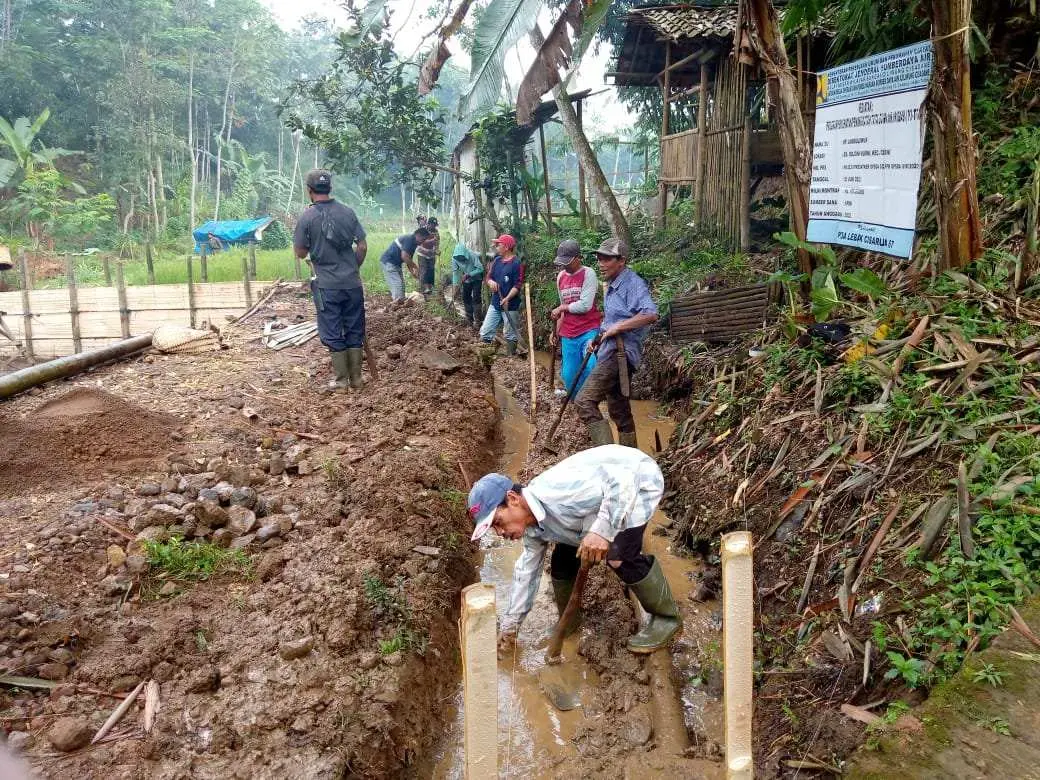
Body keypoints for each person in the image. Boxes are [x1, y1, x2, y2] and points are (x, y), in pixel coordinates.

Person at [467, 445, 681, 654]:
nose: (499, 532)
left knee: (618, 555)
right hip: (595, 506)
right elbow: (527, 573)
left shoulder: (560, 493)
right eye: (493, 528)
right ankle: (569, 621)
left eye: (497, 521)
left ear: (512, 500)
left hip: (639, 482)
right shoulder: (532, 528)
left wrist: (602, 531)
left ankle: (667, 618)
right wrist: (511, 625)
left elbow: (624, 479)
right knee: (561, 560)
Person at [574, 238, 658, 449]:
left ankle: (609, 456)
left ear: (621, 260)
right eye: (599, 258)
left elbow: (650, 314)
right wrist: (598, 339)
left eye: (606, 258)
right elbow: (610, 321)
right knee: (619, 410)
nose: (601, 263)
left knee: (584, 401)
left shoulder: (632, 283)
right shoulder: (613, 284)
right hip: (609, 350)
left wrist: (618, 328)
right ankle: (631, 457)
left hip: (619, 354)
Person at [293, 168, 369, 391]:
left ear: (309, 191)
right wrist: (353, 267)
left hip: (327, 285)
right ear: (330, 189)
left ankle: (341, 381)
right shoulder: (348, 212)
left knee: (332, 331)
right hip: (352, 284)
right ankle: (357, 379)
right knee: (355, 328)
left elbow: (300, 252)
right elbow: (362, 246)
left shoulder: (307, 217)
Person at [550, 239, 601, 396]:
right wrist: (555, 332)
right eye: (563, 263)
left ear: (578, 258)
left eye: (569, 262)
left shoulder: (589, 274)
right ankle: (576, 403)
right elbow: (562, 308)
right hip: (568, 332)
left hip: (588, 329)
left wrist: (563, 307)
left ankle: (588, 400)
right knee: (569, 374)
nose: (565, 266)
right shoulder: (561, 277)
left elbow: (585, 305)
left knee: (591, 364)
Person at [478, 234, 523, 356]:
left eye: (499, 244)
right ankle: (485, 360)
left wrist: (508, 298)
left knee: (510, 334)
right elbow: (488, 277)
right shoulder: (497, 260)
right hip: (496, 302)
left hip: (510, 305)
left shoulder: (516, 264)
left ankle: (510, 359)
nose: (496, 246)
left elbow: (517, 285)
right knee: (486, 331)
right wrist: (491, 282)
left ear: (507, 247)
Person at [379, 226, 430, 301]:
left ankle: (399, 302)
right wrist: (416, 267)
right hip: (389, 263)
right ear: (418, 235)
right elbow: (405, 256)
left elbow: (408, 260)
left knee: (402, 286)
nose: (423, 242)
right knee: (397, 285)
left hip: (396, 264)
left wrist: (413, 272)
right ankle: (396, 305)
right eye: (423, 239)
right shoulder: (409, 239)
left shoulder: (414, 243)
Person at [451, 240, 485, 331]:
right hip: (466, 280)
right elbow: (455, 273)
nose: (460, 260)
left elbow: (480, 269)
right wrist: (455, 287)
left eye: (462, 258)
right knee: (466, 298)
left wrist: (469, 274)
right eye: (458, 258)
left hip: (477, 278)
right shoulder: (454, 259)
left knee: (476, 298)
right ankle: (469, 319)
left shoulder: (472, 255)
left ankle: (478, 320)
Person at [416, 217, 440, 296]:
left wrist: (437, 250)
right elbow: (422, 242)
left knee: (431, 270)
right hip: (422, 253)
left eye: (435, 225)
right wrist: (432, 241)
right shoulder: (423, 230)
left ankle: (430, 287)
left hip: (431, 254)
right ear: (428, 224)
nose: (433, 227)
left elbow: (437, 243)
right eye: (432, 225)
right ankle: (424, 288)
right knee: (424, 270)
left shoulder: (436, 232)